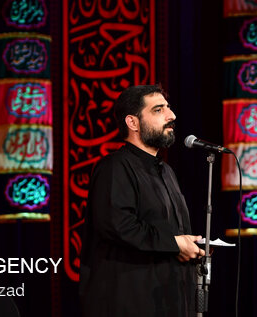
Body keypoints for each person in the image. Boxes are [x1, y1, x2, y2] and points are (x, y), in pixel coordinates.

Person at [79, 84, 204, 317]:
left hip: (168, 300)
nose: (171, 116)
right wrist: (175, 244)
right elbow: (120, 226)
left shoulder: (166, 172)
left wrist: (192, 246)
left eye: (168, 108)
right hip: (128, 302)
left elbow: (169, 231)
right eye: (158, 110)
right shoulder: (114, 167)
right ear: (132, 123)